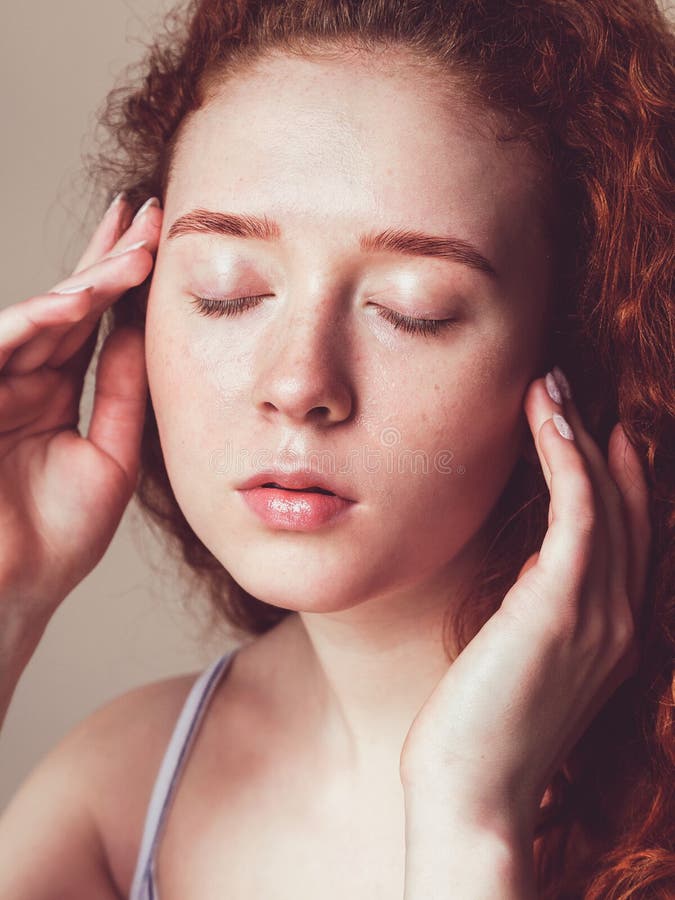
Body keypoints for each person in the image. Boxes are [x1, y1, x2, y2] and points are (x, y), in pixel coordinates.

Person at [0, 0, 672, 896]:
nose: (297, 381)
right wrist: (8, 592)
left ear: (573, 349)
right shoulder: (122, 790)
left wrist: (468, 822)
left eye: (411, 308)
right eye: (226, 291)